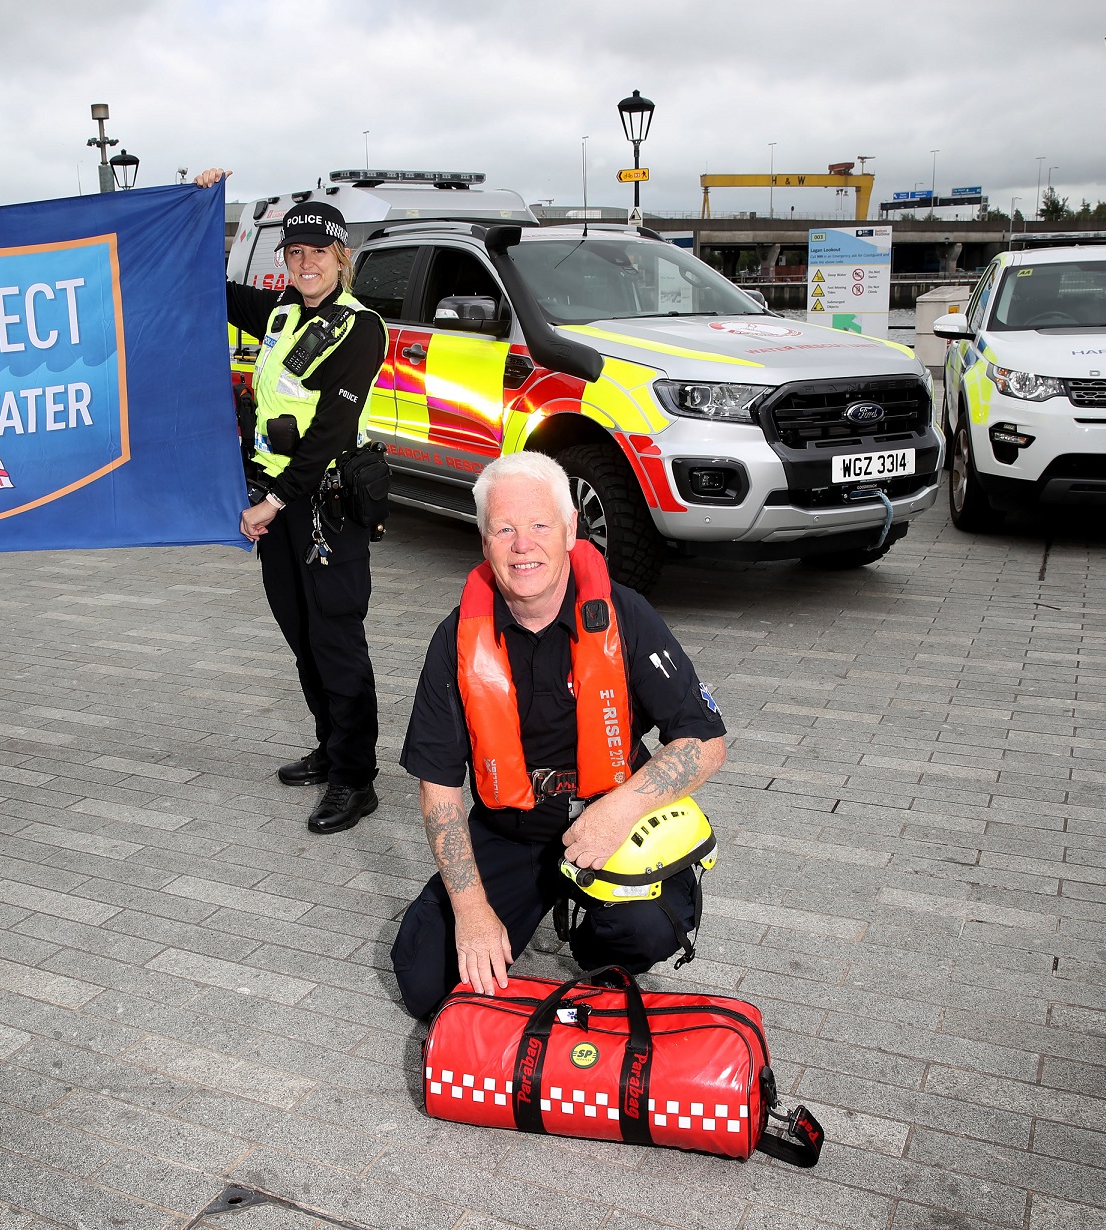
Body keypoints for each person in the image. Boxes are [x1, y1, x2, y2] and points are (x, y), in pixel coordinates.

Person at [391, 452, 729, 1019]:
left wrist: (619, 810)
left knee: (644, 934)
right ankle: (520, 905)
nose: (523, 545)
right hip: (509, 829)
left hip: (609, 822)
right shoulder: (455, 638)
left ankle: (590, 939)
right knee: (427, 984)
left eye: (540, 525)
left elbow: (705, 741)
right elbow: (441, 791)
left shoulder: (626, 614)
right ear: (484, 542)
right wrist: (473, 911)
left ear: (571, 529)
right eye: (505, 529)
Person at [193, 168, 387, 834]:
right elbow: (206, 287)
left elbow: (330, 431)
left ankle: (355, 779)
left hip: (322, 506)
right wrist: (198, 204)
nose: (305, 263)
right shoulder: (276, 313)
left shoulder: (360, 329)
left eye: (318, 253)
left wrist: (272, 500)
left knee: (336, 640)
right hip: (278, 505)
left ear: (341, 258)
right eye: (294, 253)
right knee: (302, 638)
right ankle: (331, 748)